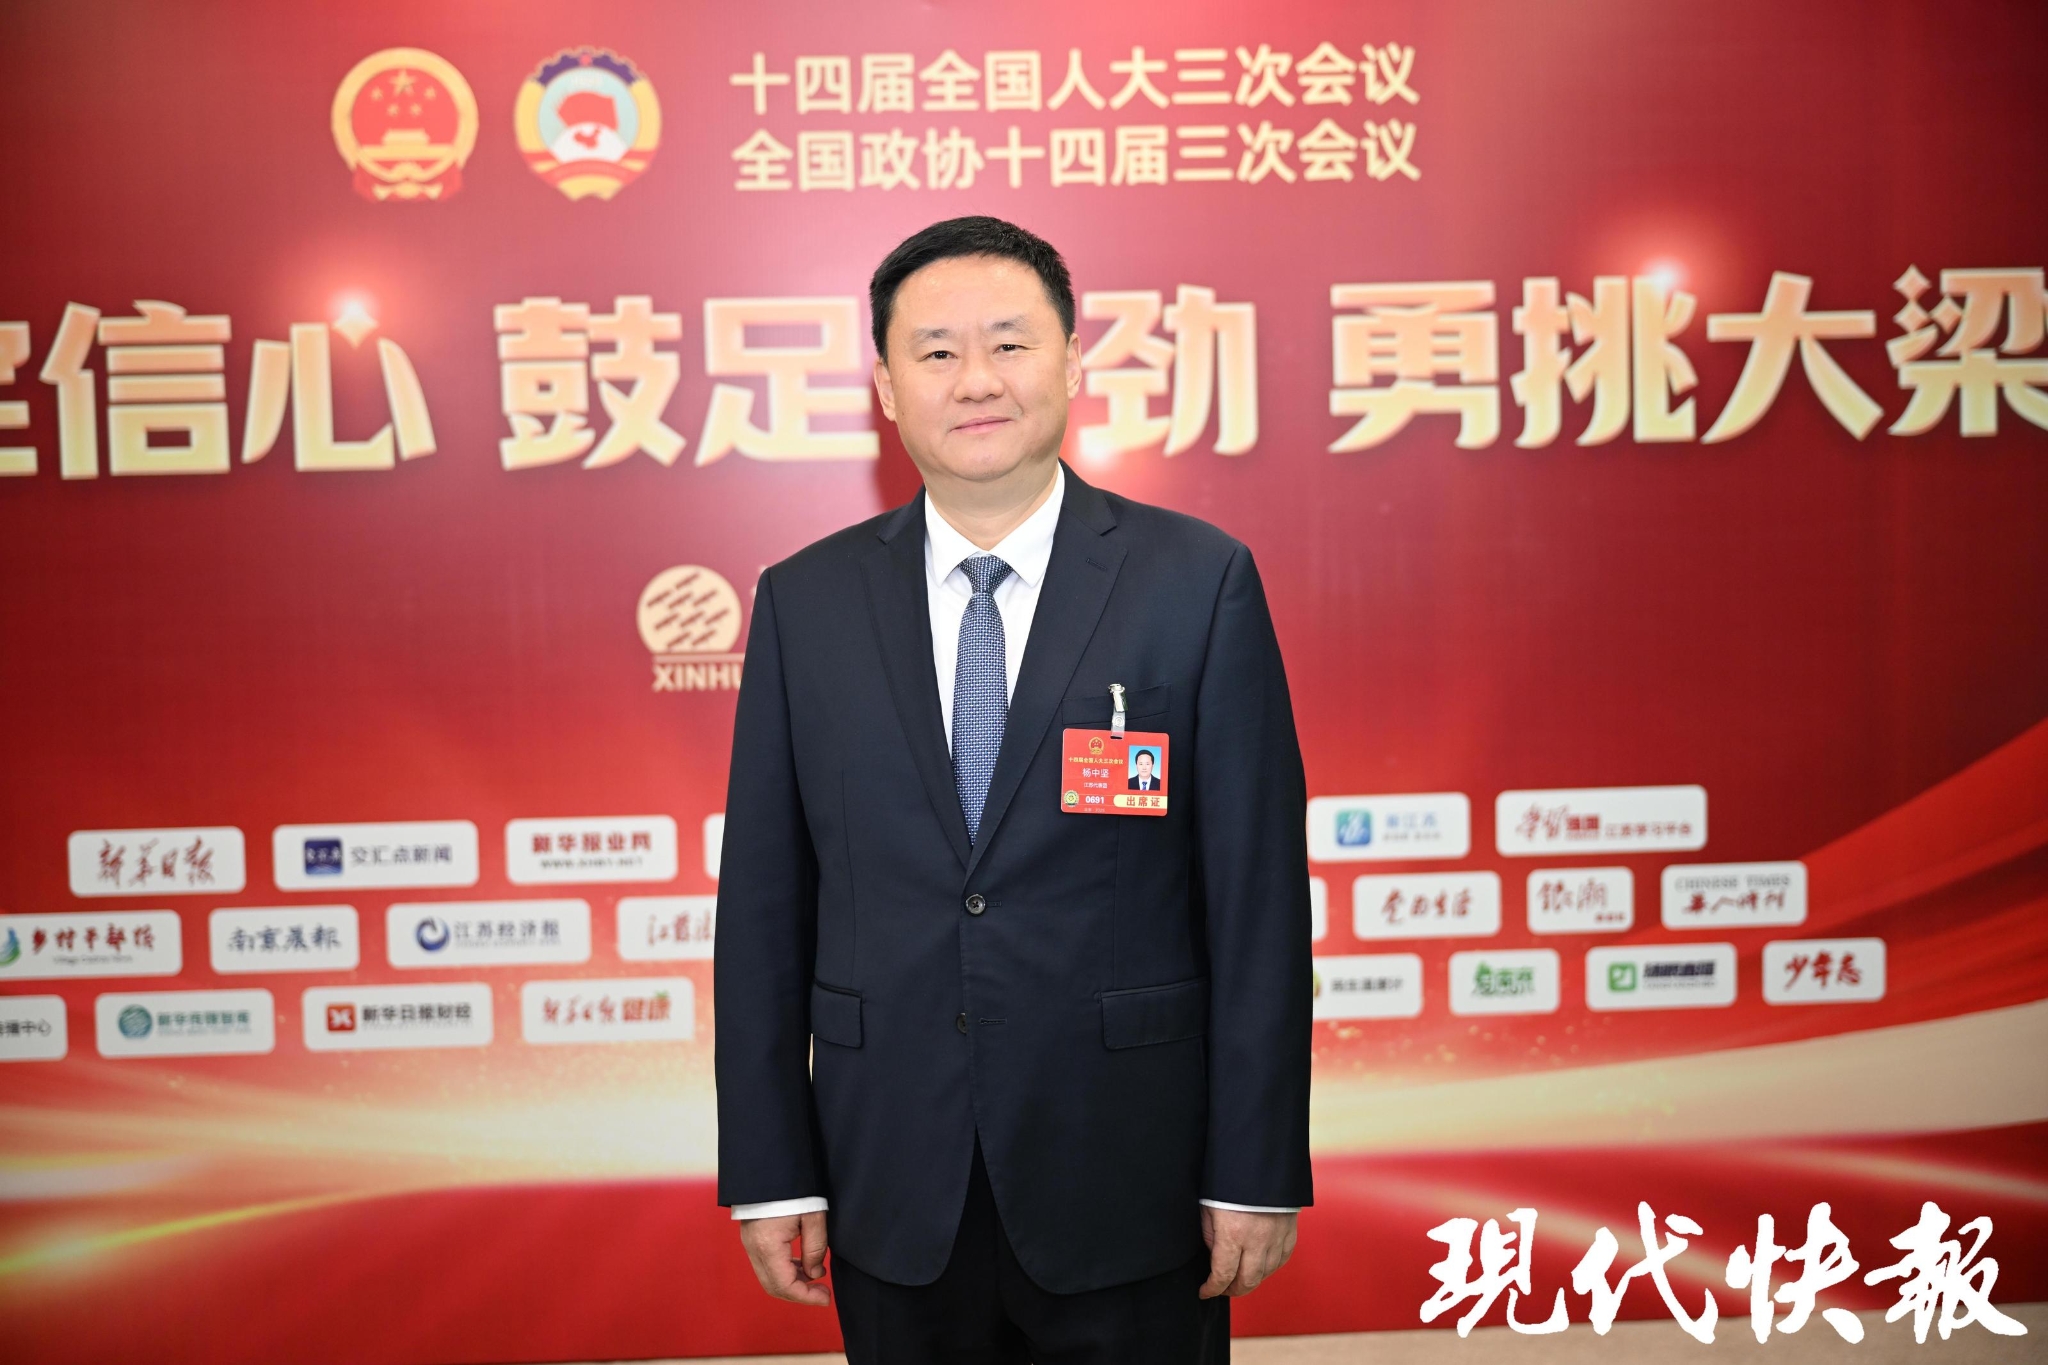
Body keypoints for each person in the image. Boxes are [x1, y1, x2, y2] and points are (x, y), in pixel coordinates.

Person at [715, 216, 1312, 1364]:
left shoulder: (1196, 583)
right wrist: (772, 1170)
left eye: (1008, 344)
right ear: (885, 388)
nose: (975, 380)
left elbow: (1254, 909)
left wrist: (1253, 1167)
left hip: (1129, 1172)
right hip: (891, 1176)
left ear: (1073, 361)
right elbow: (763, 913)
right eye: (935, 352)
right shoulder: (806, 603)